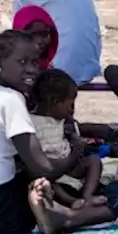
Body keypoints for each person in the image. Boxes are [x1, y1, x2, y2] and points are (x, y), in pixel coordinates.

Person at [0, 30, 115, 234]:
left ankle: (51, 209)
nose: (32, 70)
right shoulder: (10, 99)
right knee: (110, 206)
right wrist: (76, 152)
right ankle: (66, 218)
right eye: (22, 62)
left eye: (35, 63)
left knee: (31, 177)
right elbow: (45, 168)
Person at [29, 68, 106, 209]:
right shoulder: (32, 124)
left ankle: (87, 196)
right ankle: (71, 201)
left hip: (70, 168)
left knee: (94, 161)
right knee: (42, 181)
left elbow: (75, 137)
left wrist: (76, 141)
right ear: (54, 103)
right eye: (70, 104)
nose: (72, 110)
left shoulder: (64, 121)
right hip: (50, 172)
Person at [0, 4, 57, 89]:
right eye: (32, 35)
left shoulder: (49, 70)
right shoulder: (1, 65)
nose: (39, 41)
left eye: (44, 34)